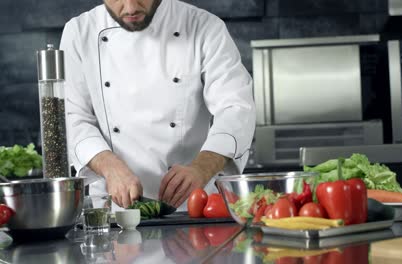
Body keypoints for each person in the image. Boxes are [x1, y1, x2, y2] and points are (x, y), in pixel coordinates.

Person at [60, 0, 255, 210]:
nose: (130, 7)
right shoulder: (80, 32)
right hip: (114, 209)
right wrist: (109, 167)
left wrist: (202, 168)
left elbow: (236, 108)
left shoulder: (203, 26)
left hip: (194, 205)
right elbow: (72, 117)